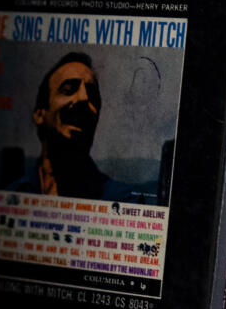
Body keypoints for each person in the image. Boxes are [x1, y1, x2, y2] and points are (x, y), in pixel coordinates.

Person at [10, 52, 158, 203]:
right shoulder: (11, 197)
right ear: (40, 113)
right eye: (68, 89)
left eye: (92, 95)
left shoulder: (123, 202)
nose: (83, 98)